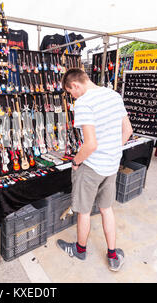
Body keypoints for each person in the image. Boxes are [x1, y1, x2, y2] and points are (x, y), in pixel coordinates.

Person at [57, 68, 133, 272]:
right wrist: (112, 151)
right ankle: (113, 255)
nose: (72, 96)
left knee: (83, 211)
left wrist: (76, 161)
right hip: (111, 164)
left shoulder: (83, 103)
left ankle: (80, 250)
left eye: (70, 92)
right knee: (106, 209)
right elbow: (128, 130)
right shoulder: (114, 95)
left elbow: (90, 145)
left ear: (75, 85)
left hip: (92, 166)